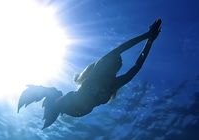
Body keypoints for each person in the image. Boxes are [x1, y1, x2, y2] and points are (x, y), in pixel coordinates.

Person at [18, 19, 162, 129]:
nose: (115, 63)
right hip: (71, 103)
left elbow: (136, 67)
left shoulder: (113, 83)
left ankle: (49, 98)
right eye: (115, 61)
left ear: (116, 68)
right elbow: (122, 49)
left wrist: (149, 40)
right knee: (55, 93)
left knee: (55, 94)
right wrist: (147, 37)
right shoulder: (100, 68)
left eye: (116, 63)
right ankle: (45, 96)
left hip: (78, 110)